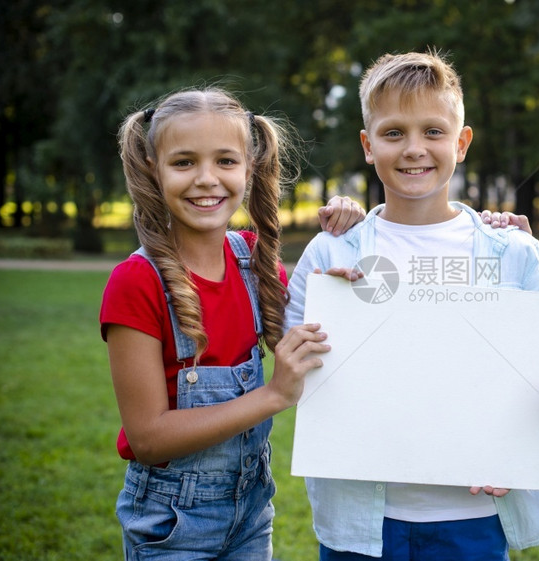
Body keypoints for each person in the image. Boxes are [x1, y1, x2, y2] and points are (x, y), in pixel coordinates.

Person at [285, 50, 539, 560]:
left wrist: (514, 456)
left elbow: (531, 377)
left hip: (472, 515)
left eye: (433, 131)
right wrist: (330, 316)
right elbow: (289, 367)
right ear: (368, 146)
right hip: (361, 520)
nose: (414, 149)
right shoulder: (333, 250)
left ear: (462, 141)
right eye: (393, 133)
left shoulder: (510, 251)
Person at [101, 87, 349, 560]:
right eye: (184, 162)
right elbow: (148, 438)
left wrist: (349, 244)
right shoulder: (136, 282)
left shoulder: (255, 265)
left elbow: (329, 337)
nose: (206, 179)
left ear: (250, 168)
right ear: (153, 168)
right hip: (172, 526)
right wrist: (272, 396)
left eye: (226, 162)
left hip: (253, 513)